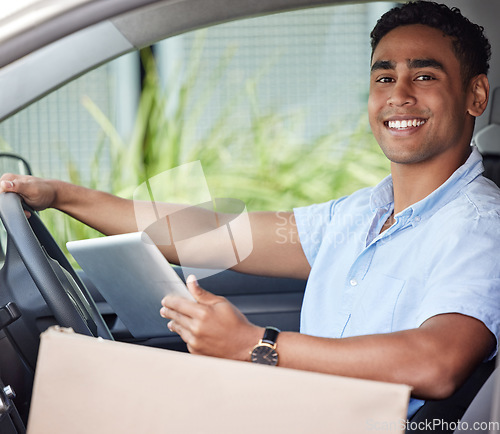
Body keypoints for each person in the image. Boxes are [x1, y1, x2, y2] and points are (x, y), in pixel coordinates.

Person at [0, 0, 498, 418]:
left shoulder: (478, 226)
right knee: (88, 387)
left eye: (425, 75)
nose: (399, 95)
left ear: (475, 95)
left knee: (81, 396)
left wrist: (257, 345)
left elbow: (438, 361)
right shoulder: (360, 214)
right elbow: (213, 235)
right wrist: (62, 195)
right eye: (384, 78)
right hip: (297, 410)